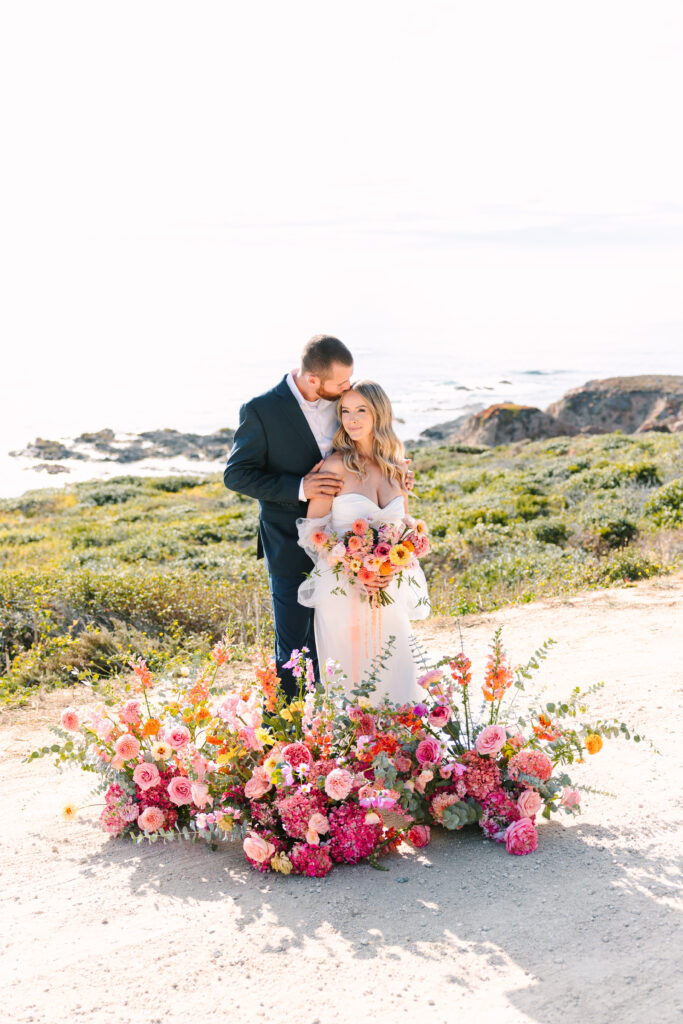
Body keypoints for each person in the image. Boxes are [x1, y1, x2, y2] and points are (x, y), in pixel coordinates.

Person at [224, 335, 353, 697]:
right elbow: (236, 474)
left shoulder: (346, 399)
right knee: (295, 645)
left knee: (337, 634)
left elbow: (370, 441)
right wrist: (300, 487)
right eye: (340, 382)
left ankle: (333, 725)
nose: (348, 388)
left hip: (346, 539)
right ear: (312, 379)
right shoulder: (261, 410)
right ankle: (288, 731)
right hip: (288, 542)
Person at [297, 381, 430, 703]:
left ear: (379, 414)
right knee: (352, 677)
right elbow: (312, 530)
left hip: (388, 587)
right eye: (345, 411)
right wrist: (354, 566)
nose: (351, 419)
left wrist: (395, 560)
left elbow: (405, 525)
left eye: (361, 410)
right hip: (344, 589)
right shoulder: (334, 467)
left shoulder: (398, 469)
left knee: (395, 668)